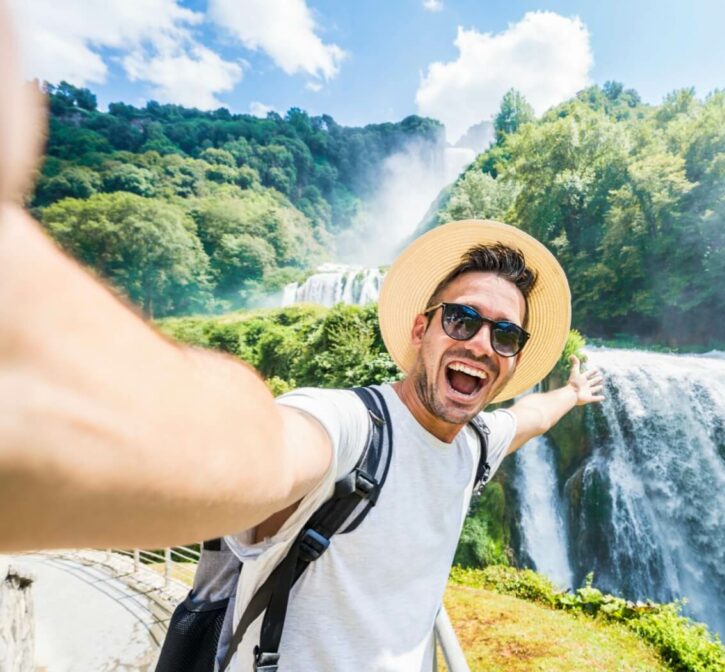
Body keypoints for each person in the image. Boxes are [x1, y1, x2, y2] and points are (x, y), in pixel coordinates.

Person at [0, 5, 604, 669]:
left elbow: (524, 419)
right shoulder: (347, 428)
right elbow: (257, 448)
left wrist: (571, 396)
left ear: (514, 358)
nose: (484, 343)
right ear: (421, 328)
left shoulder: (473, 447)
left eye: (506, 334)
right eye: (462, 319)